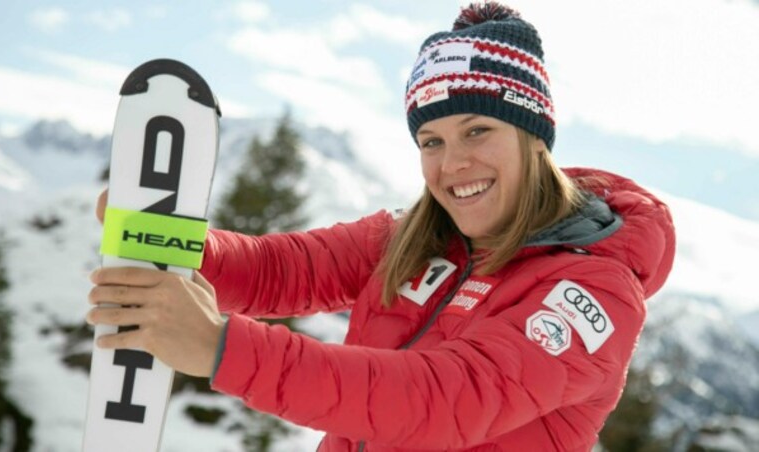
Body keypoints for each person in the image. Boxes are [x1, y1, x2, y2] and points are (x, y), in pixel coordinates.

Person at [88, 2, 676, 450]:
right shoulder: (416, 237)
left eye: (477, 131)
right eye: (431, 141)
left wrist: (219, 347)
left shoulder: (594, 292)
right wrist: (165, 236)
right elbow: (278, 270)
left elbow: (442, 398)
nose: (452, 165)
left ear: (534, 138)